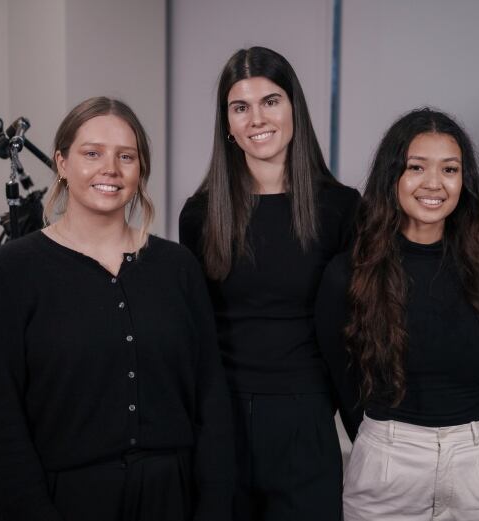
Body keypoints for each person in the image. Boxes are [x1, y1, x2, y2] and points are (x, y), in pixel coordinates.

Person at [0, 97, 234, 521]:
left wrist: (216, 506)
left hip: (171, 498)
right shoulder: (12, 272)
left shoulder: (177, 267)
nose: (109, 168)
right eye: (91, 154)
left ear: (140, 169)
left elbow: (210, 398)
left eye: (125, 156)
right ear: (61, 162)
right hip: (63, 501)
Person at [315, 108, 479, 521]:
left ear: (464, 181)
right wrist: (385, 441)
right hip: (386, 463)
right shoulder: (348, 274)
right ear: (392, 176)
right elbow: (342, 379)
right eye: (416, 167)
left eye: (450, 169)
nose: (434, 183)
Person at [179, 46, 361, 521]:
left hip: (305, 420)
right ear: (227, 124)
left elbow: (356, 327)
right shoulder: (199, 215)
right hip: (221, 419)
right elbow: (194, 331)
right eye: (240, 107)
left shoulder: (340, 208)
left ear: (294, 108)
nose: (256, 118)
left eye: (271, 101)